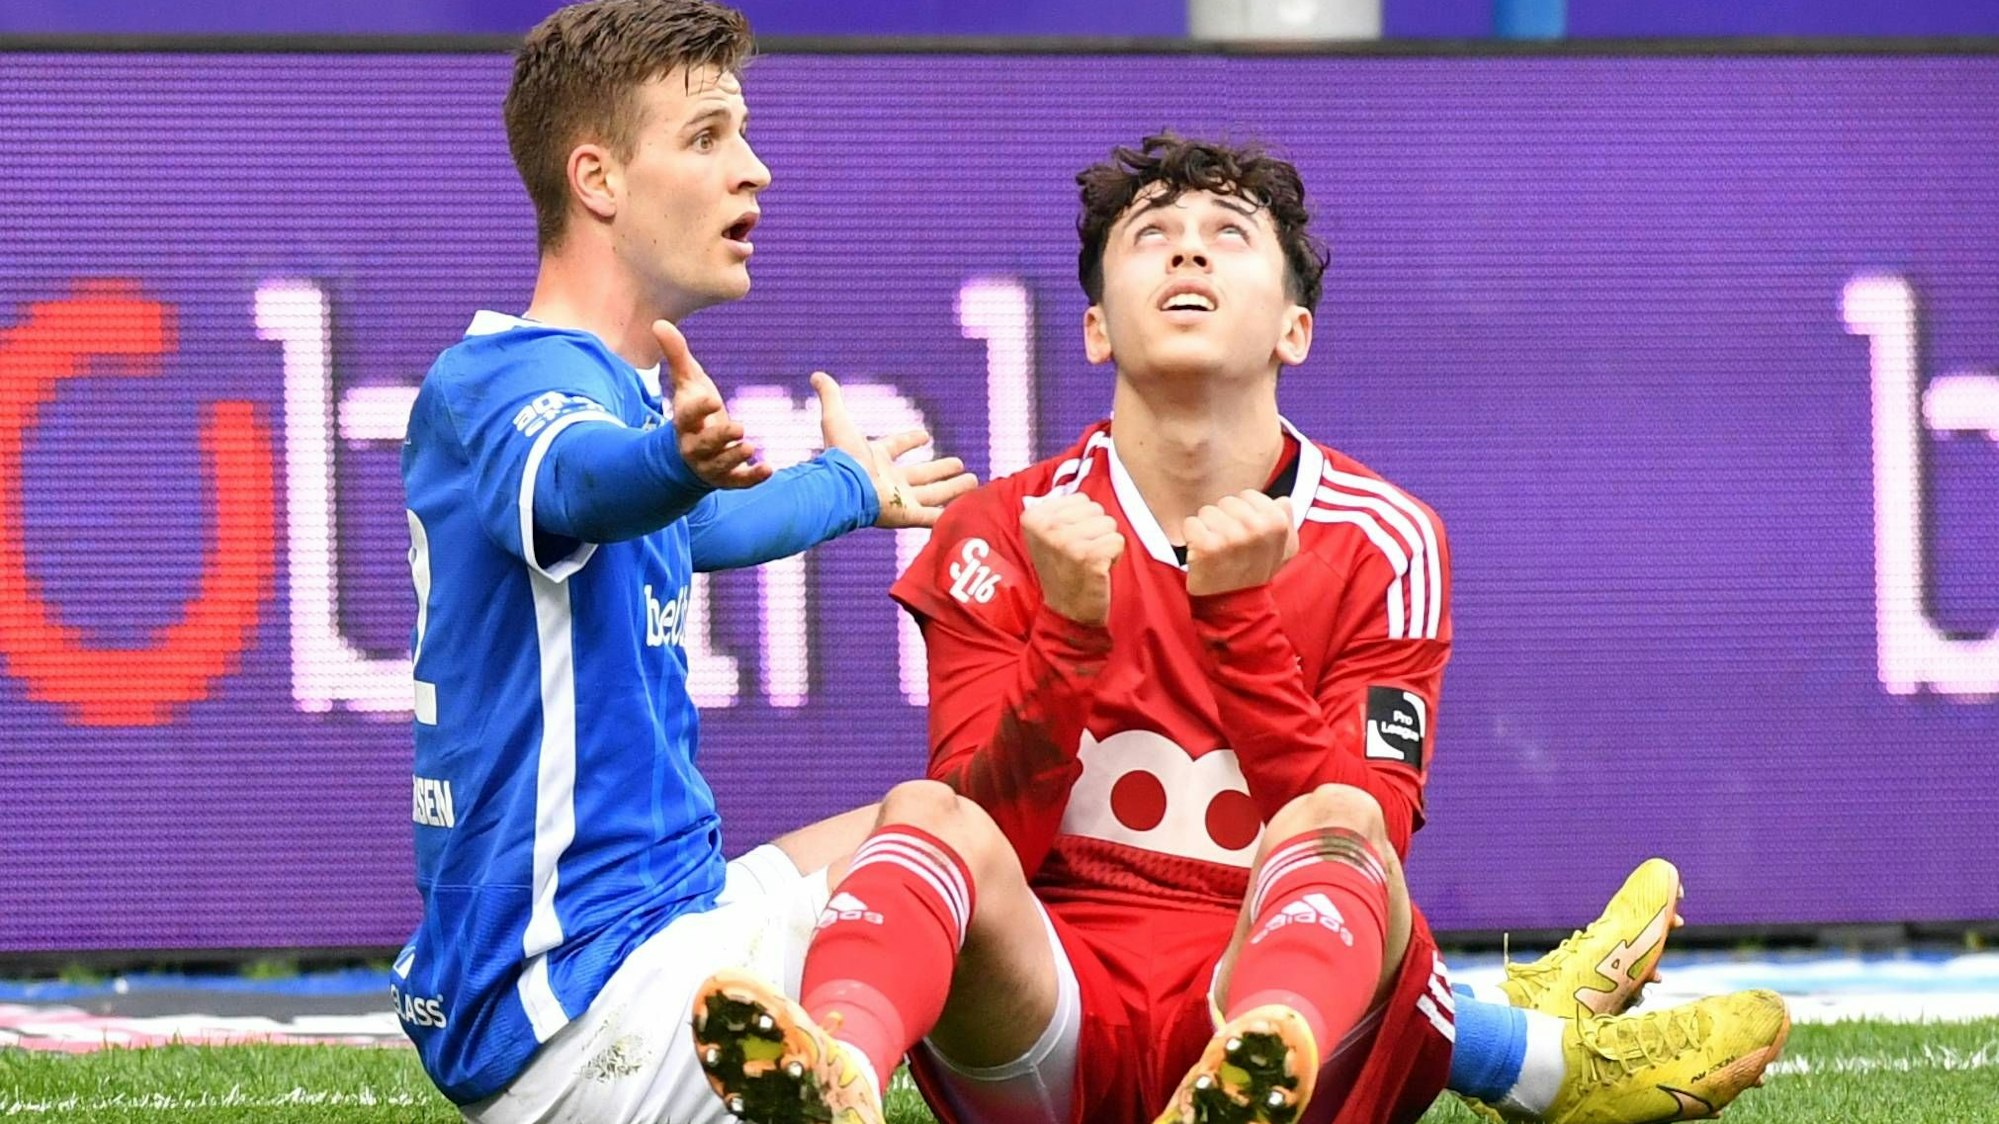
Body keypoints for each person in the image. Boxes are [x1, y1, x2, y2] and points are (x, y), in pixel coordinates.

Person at [688, 135, 1788, 1124]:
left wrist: (1236, 617)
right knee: (926, 812)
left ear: (1294, 329)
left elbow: (1365, 843)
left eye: (1227, 236)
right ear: (1091, 327)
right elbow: (995, 845)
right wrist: (1071, 635)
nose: (1186, 255)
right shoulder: (1001, 527)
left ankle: (1261, 1071)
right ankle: (833, 1070)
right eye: (1151, 235)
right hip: (1052, 1020)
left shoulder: (1384, 536)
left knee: (1341, 822)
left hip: (1280, 999)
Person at [391, 2, 975, 1121]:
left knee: (954, 828)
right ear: (599, 179)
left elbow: (693, 526)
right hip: (581, 1005)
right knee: (960, 846)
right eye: (707, 137)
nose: (753, 171)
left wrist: (848, 487)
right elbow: (581, 482)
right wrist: (669, 458)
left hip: (664, 935)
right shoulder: (506, 381)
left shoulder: (594, 386)